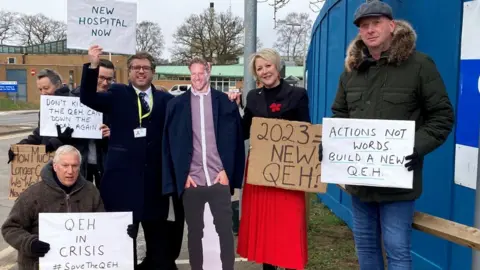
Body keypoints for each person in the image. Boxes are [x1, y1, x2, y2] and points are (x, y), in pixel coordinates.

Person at [317, 1, 454, 269]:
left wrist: (416, 147)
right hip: (360, 184)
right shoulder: (351, 72)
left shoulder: (420, 65)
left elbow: (442, 117)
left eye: (376, 23)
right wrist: (332, 145)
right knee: (366, 247)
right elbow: (340, 114)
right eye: (364, 26)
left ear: (391, 25)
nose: (369, 30)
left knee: (397, 250)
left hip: (397, 183)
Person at [80, 45, 181, 270]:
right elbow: (86, 97)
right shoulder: (116, 93)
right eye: (136, 67)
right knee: (124, 242)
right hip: (121, 182)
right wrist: (93, 65)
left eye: (145, 67)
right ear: (129, 72)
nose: (141, 71)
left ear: (153, 71)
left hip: (155, 184)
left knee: (158, 243)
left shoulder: (165, 100)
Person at [228, 48, 310, 270]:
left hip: (289, 173)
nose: (265, 71)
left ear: (277, 66)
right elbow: (245, 131)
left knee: (289, 226)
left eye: (268, 66)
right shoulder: (253, 97)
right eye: (259, 68)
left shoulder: (298, 94)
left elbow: (307, 132)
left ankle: (292, 265)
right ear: (256, 74)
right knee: (266, 228)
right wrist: (234, 110)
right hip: (261, 171)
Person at [162, 58, 245, 270]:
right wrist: (181, 176)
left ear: (209, 73)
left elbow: (237, 140)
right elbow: (169, 145)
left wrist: (229, 172)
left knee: (225, 230)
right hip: (192, 180)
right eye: (193, 74)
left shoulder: (225, 102)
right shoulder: (176, 105)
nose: (197, 78)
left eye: (201, 73)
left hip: (219, 177)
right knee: (195, 232)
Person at [1, 145, 105, 270]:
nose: (70, 171)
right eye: (65, 165)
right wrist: (30, 244)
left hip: (79, 264)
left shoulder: (91, 192)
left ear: (80, 167)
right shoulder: (33, 194)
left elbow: (102, 225)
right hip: (39, 264)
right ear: (55, 166)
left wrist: (122, 231)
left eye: (74, 166)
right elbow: (10, 227)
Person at [7, 69, 74, 164]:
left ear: (58, 84)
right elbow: (40, 133)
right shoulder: (45, 107)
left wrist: (54, 143)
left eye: (46, 88)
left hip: (69, 163)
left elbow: (76, 137)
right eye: (40, 89)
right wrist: (20, 147)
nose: (43, 93)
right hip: (49, 161)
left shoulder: (73, 103)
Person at [71, 58, 114, 188]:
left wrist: (114, 133)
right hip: (80, 162)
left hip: (106, 162)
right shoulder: (72, 99)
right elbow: (45, 130)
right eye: (101, 77)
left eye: (109, 79)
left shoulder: (116, 100)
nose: (105, 83)